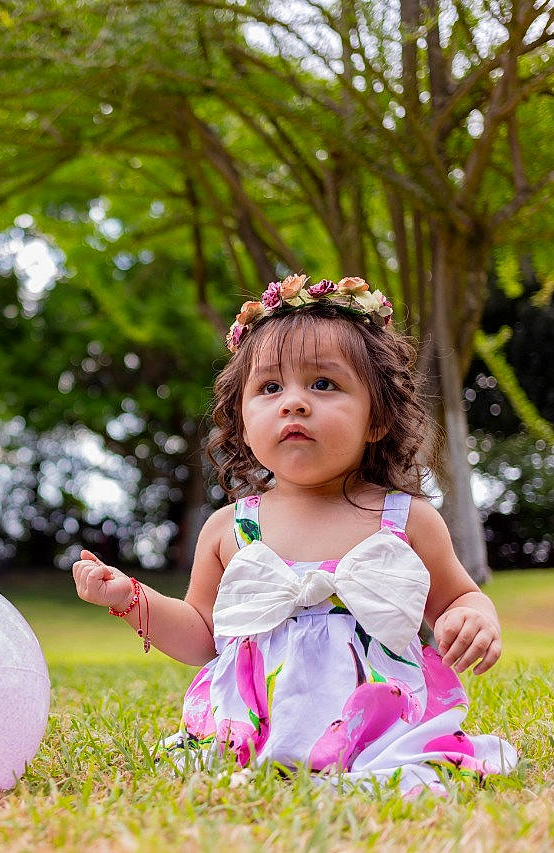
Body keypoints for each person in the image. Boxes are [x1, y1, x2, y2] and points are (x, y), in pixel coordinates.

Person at [72, 275, 518, 795]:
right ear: (241, 417)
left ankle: (373, 762)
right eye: (269, 388)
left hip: (378, 730)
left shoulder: (405, 519)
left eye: (324, 384)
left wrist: (472, 617)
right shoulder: (230, 529)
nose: (294, 403)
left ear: (377, 417)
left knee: (412, 776)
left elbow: (458, 595)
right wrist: (131, 599)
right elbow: (200, 634)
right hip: (252, 730)